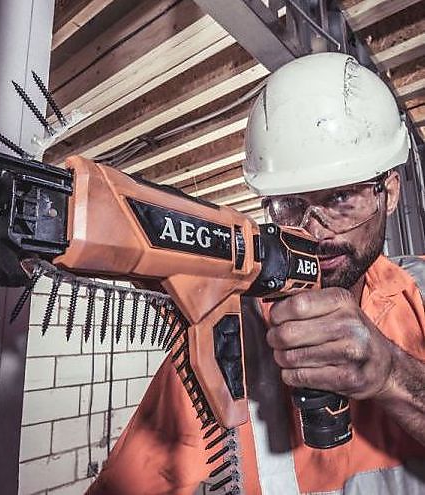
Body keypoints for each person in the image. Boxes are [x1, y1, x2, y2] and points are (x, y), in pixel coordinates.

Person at [86, 53, 425, 494]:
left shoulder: (420, 294)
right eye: (290, 204)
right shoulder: (228, 342)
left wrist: (391, 374)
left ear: (390, 193)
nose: (314, 231)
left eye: (341, 197)